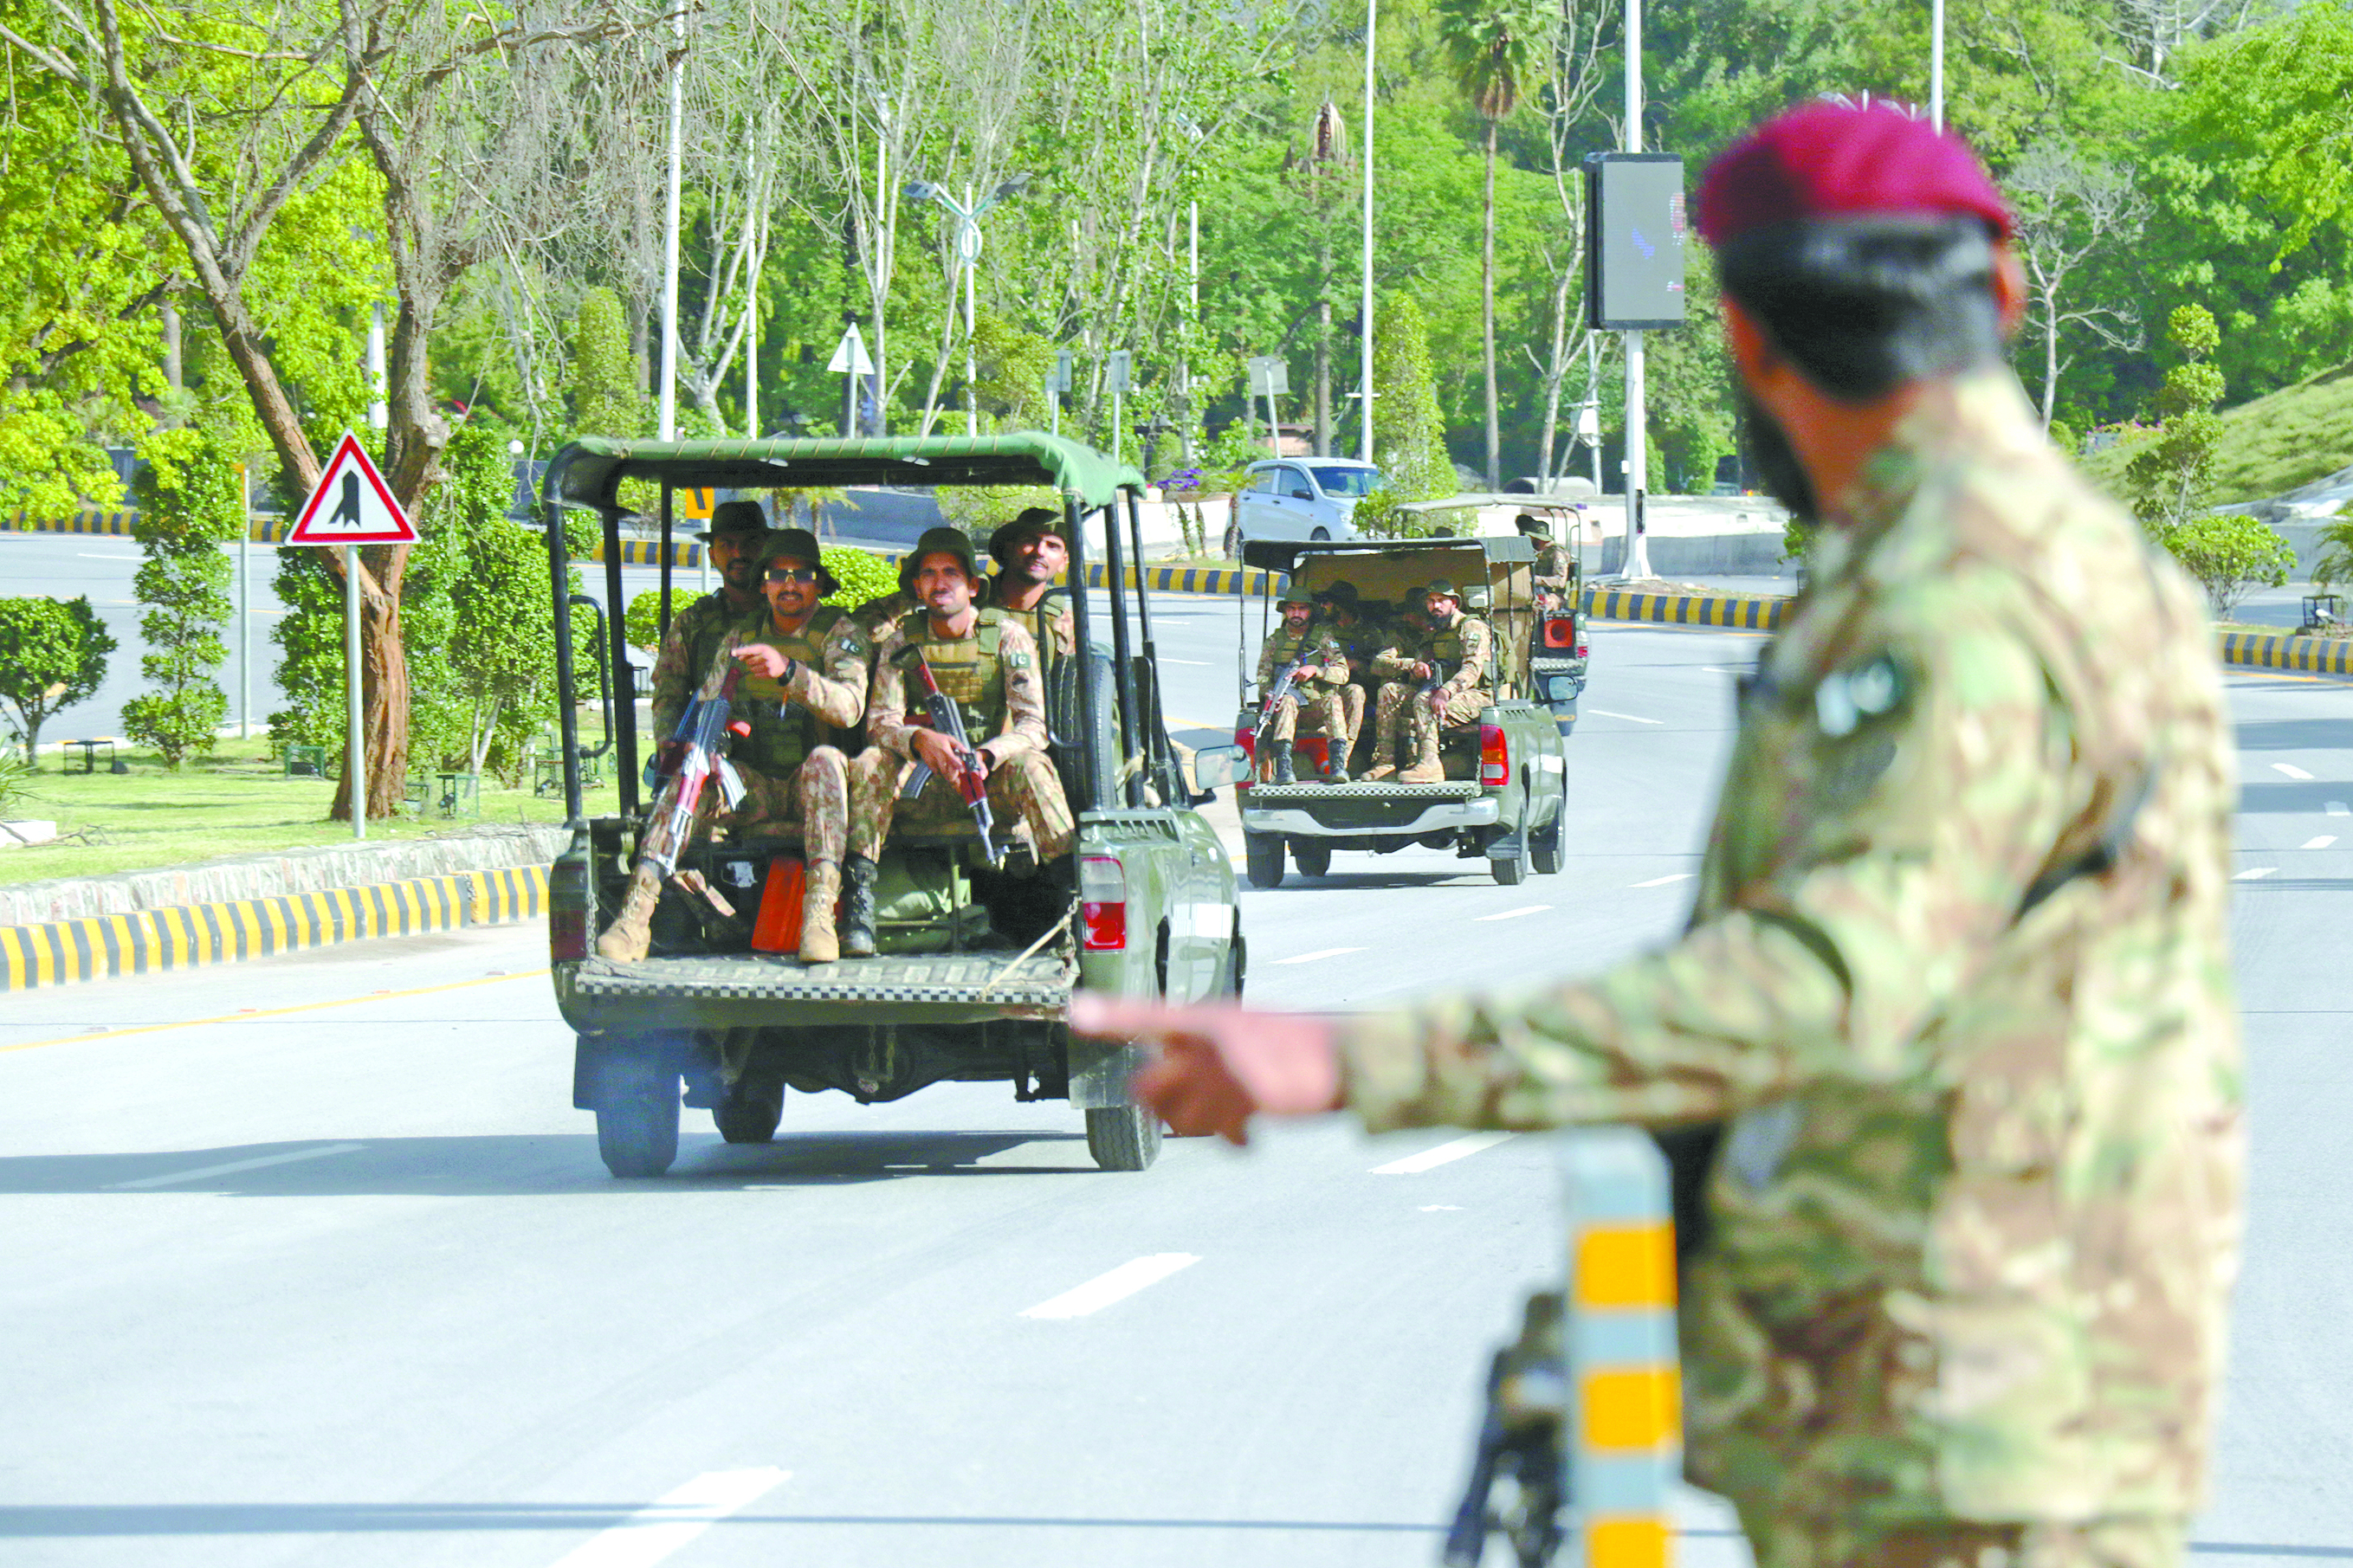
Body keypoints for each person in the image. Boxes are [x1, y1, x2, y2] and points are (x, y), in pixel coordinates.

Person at [1074, 99, 2240, 1568]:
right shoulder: (1990, 560)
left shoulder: (1962, 597)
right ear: (2000, 297)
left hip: (1975, 1428)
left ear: (1747, 346)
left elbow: (1820, 983)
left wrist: (1350, 1058)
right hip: (1941, 1387)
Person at [841, 527, 1076, 958]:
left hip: (987, 785)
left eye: (951, 572)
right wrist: (919, 740)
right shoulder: (903, 640)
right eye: (928, 573)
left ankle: (1071, 900)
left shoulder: (1006, 636)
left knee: (1034, 765)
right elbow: (879, 722)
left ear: (972, 585)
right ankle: (859, 906)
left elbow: (1034, 726)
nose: (939, 581)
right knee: (872, 761)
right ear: (917, 587)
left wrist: (988, 754)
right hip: (924, 788)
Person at [716, 529, 869, 964]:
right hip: (755, 786)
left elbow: (849, 708)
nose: (788, 584)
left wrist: (790, 675)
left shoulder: (841, 633)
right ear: (763, 584)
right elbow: (712, 704)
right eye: (776, 574)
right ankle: (643, 904)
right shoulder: (738, 638)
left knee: (825, 759)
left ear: (818, 582)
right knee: (695, 768)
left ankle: (818, 915)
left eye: (800, 574)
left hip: (815, 791)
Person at [649, 500, 767, 739]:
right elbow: (669, 697)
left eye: (750, 543)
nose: (739, 553)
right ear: (712, 555)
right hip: (714, 757)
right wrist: (670, 747)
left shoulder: (791, 616)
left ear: (766, 549)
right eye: (727, 545)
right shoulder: (692, 624)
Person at [1361, 579, 1492, 783]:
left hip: (1476, 695)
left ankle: (1430, 765)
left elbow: (1472, 669)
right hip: (1440, 691)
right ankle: (1386, 763)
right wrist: (1417, 669)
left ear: (1454, 603)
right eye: (1431, 601)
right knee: (1389, 690)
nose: (1436, 606)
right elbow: (1417, 663)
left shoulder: (1471, 627)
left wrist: (1445, 691)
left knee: (1424, 700)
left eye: (1441, 601)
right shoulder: (1436, 632)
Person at [1251, 590, 1354, 784]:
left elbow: (1343, 673)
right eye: (1291, 608)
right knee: (1288, 700)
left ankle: (1339, 766)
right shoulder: (1275, 641)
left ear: (1309, 612)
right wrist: (1270, 693)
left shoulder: (1322, 638)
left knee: (1334, 701)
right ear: (1285, 612)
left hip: (1315, 707)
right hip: (1285, 709)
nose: (1296, 613)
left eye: (1302, 609)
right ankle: (1284, 769)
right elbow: (1262, 677)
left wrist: (1316, 670)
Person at [986, 506, 1077, 659]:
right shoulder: (973, 602)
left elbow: (1070, 677)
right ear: (1009, 549)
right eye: (1030, 541)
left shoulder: (1063, 621)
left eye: (1052, 546)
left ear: (1063, 561)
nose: (1040, 551)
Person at [1517, 512, 1578, 610]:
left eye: (1532, 538)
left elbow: (1560, 581)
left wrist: (1535, 579)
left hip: (1553, 595)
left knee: (1542, 603)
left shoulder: (1557, 554)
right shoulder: (1538, 553)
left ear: (1538, 539)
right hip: (1535, 591)